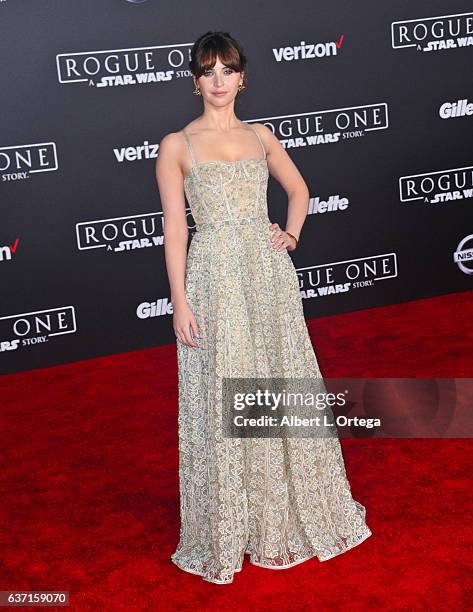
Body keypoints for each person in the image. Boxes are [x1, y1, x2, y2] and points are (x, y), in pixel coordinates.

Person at [155, 30, 372, 585]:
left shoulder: (262, 135)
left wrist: (290, 236)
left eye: (228, 69)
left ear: (243, 77)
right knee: (224, 390)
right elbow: (175, 230)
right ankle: (232, 522)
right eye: (209, 71)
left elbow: (299, 191)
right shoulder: (176, 145)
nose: (220, 80)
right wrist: (179, 301)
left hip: (265, 274)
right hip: (213, 277)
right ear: (196, 81)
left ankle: (283, 510)